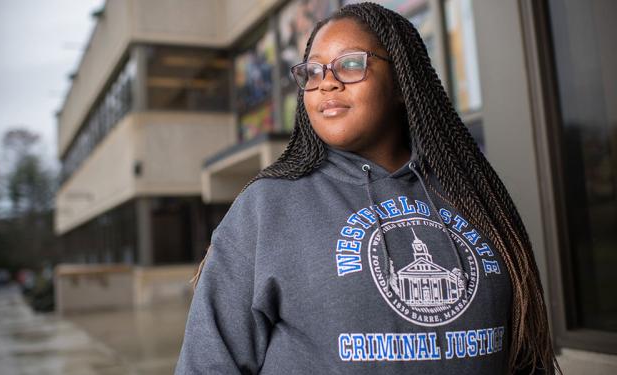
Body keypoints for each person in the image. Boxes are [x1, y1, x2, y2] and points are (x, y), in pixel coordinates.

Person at [175, 2, 560, 374]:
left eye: (350, 64)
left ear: (401, 82)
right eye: (313, 72)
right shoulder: (267, 207)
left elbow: (525, 355)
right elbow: (207, 364)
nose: (326, 81)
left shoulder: (475, 196)